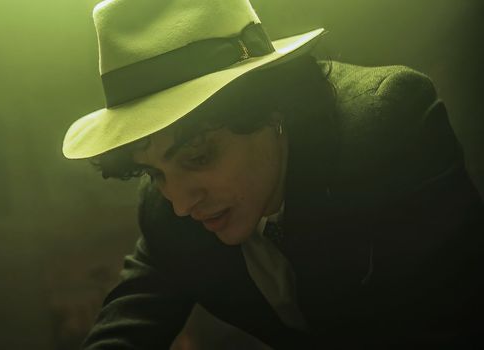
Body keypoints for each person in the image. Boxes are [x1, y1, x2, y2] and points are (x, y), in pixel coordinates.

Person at [62, 0, 484, 348]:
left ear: (271, 107)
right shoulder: (165, 214)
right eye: (154, 173)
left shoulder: (388, 126)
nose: (180, 202)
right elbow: (127, 326)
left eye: (198, 156)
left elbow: (453, 314)